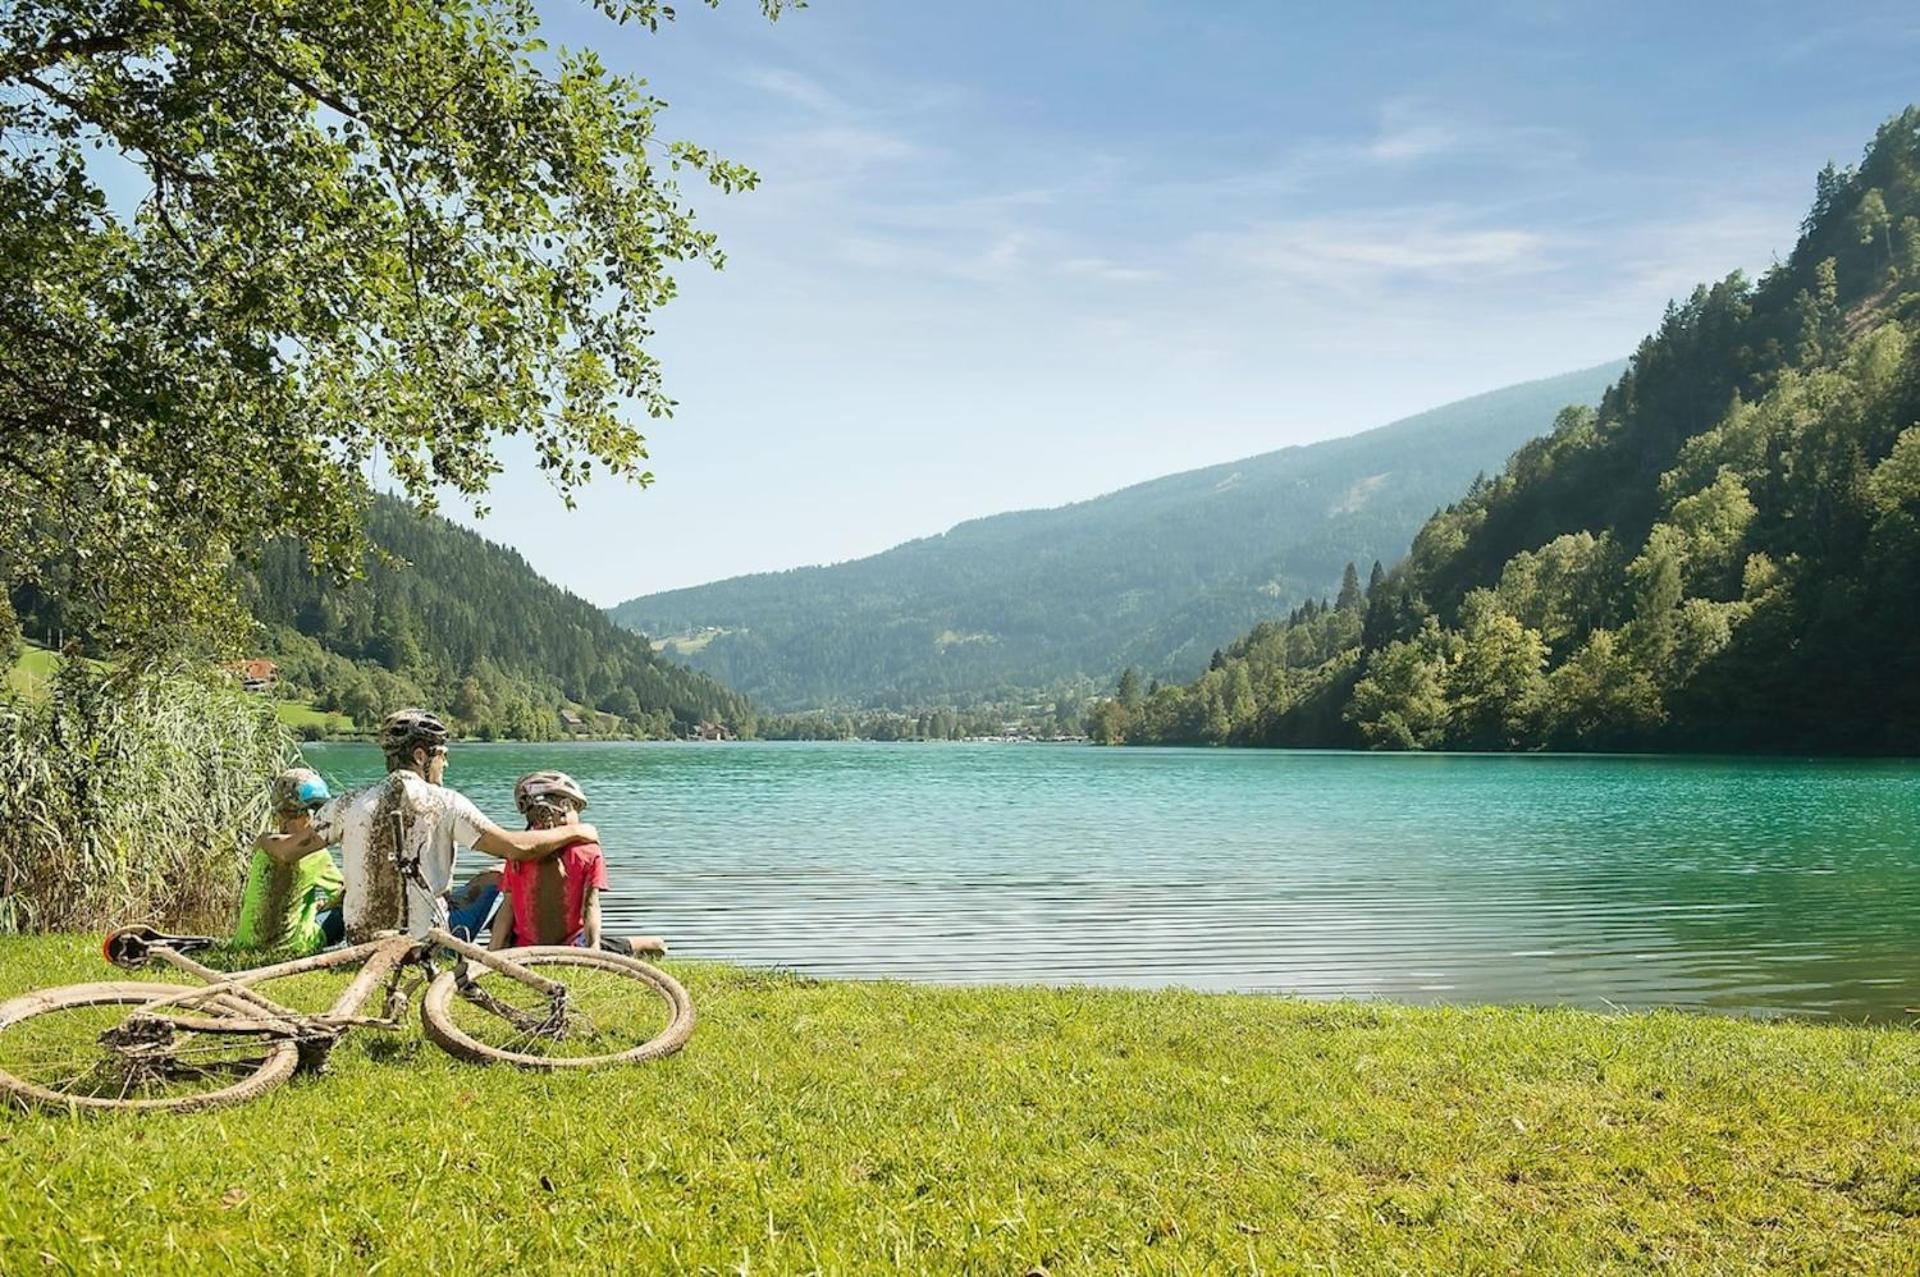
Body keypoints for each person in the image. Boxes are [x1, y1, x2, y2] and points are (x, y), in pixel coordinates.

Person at [258, 709, 600, 944]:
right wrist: (578, 832)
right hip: (425, 946)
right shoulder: (445, 803)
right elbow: (518, 847)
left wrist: (262, 840)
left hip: (360, 945)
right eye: (442, 754)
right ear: (421, 756)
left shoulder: (347, 804)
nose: (446, 762)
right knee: (497, 875)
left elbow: (287, 850)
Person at [490, 769, 664, 957]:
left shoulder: (519, 852)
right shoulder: (589, 852)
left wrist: (491, 954)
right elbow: (590, 906)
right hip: (571, 949)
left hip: (525, 950)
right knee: (657, 944)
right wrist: (594, 952)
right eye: (576, 809)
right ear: (564, 807)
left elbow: (507, 910)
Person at [232, 767, 345, 954]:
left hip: (246, 945)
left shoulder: (264, 845)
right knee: (341, 913)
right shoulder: (317, 855)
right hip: (293, 947)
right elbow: (342, 896)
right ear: (311, 814)